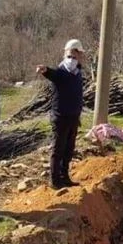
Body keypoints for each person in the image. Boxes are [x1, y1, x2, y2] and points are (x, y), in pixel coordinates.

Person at [36, 39, 86, 189]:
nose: (73, 59)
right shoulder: (61, 72)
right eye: (70, 55)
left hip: (73, 117)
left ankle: (65, 176)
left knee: (69, 149)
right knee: (58, 149)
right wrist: (45, 70)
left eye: (75, 55)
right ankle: (55, 180)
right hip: (61, 117)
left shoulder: (77, 72)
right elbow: (52, 73)